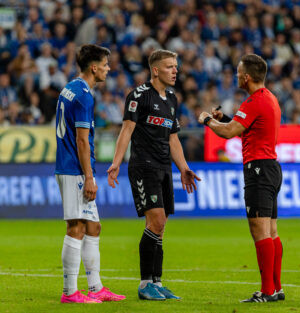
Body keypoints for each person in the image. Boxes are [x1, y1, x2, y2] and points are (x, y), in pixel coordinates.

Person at [107, 49, 200, 300]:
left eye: (176, 66)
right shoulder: (138, 95)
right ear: (156, 70)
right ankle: (144, 283)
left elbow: (173, 138)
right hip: (143, 166)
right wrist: (116, 163)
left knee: (161, 226)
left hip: (164, 167)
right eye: (170, 67)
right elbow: (126, 131)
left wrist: (184, 168)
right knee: (156, 222)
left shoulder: (172, 98)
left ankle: (157, 282)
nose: (175, 71)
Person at [198, 54, 284, 303]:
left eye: (238, 72)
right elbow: (245, 129)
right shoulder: (269, 98)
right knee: (272, 231)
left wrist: (207, 120)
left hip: (258, 170)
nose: (236, 76)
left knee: (260, 232)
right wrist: (224, 119)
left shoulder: (253, 101)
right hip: (271, 168)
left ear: (246, 77)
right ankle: (276, 288)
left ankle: (267, 290)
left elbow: (228, 133)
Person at [55, 44, 125, 304]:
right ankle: (70, 292)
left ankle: (95, 287)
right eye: (105, 64)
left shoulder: (70, 88)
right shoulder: (84, 95)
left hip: (72, 166)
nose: (108, 68)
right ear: (94, 67)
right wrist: (89, 177)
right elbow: (82, 141)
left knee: (93, 226)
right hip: (75, 169)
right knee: (76, 226)